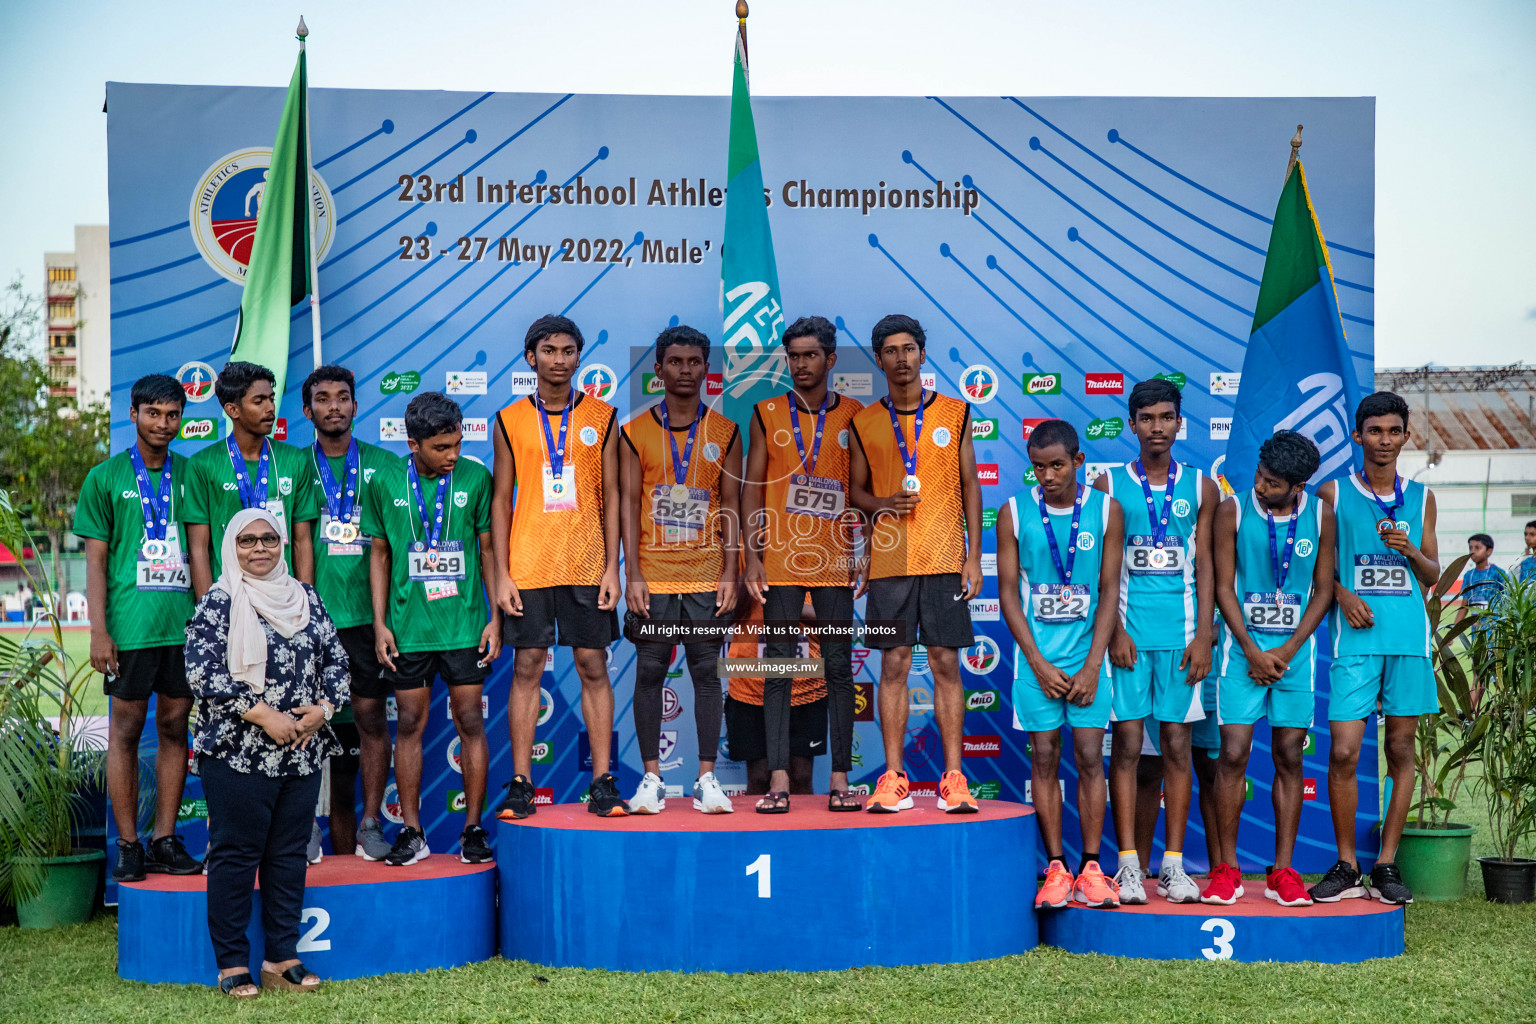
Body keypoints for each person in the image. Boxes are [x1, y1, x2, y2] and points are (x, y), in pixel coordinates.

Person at [185, 509, 348, 999]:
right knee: (235, 856)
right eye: (247, 540)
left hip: (300, 752)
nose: (259, 549)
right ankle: (232, 963)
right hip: (238, 753)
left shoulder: (306, 598)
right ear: (231, 547)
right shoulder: (218, 602)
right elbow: (201, 672)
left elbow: (336, 659)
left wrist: (324, 707)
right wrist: (262, 714)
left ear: (282, 544)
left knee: (287, 856)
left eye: (269, 539)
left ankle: (282, 956)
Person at [491, 315, 627, 820]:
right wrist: (503, 574)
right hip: (528, 564)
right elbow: (502, 498)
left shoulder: (604, 415)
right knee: (527, 667)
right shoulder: (510, 419)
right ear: (531, 357)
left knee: (593, 665)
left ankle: (602, 781)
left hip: (588, 563)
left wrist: (612, 569)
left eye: (569, 350)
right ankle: (522, 783)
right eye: (549, 350)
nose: (560, 359)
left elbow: (611, 495)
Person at [848, 314, 984, 814]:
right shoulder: (864, 421)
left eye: (910, 349)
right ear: (879, 358)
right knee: (894, 665)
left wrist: (974, 556)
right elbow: (856, 492)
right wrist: (881, 501)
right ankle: (892, 777)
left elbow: (972, 485)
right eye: (890, 350)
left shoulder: (955, 412)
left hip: (946, 557)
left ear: (923, 355)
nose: (901, 358)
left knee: (947, 663)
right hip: (889, 563)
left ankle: (953, 779)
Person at [1094, 378, 1218, 904]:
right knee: (1124, 748)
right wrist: (1115, 631)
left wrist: (1207, 634)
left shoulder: (1203, 487)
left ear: (1179, 423)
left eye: (1166, 417)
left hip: (1182, 639)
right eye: (1147, 419)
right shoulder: (1107, 485)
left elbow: (1208, 566)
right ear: (1132, 424)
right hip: (1127, 640)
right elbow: (1103, 568)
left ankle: (1172, 866)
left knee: (1176, 749)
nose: (1157, 427)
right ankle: (1126, 866)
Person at [1312, 392, 1440, 905]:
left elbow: (1431, 576)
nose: (1384, 441)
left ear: (1406, 436)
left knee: (1400, 750)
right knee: (1343, 750)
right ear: (1357, 436)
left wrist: (1412, 551)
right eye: (1374, 431)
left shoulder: (1423, 496)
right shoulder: (1332, 494)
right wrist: (1341, 594)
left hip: (1407, 640)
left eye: (1393, 431)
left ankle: (1385, 863)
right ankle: (1346, 865)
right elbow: (1317, 571)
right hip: (1356, 641)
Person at [363, 392, 501, 866]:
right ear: (413, 442)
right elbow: (378, 554)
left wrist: (494, 617)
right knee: (409, 726)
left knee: (470, 721)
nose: (453, 455)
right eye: (441, 447)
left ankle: (473, 830)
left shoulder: (476, 477)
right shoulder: (383, 480)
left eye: (458, 444)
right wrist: (380, 623)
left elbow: (487, 553)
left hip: (463, 627)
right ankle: (412, 832)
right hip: (408, 628)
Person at [76, 373, 202, 881]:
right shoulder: (104, 478)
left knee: (175, 728)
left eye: (173, 414)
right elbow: (96, 564)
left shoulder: (192, 475)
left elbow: (201, 551)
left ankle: (164, 840)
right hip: (129, 631)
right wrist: (98, 630)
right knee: (125, 732)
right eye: (153, 413)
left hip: (183, 629)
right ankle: (128, 845)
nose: (163, 423)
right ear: (133, 414)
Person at [1205, 431, 1336, 907]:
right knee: (1234, 753)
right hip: (1242, 654)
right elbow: (1222, 588)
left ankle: (1283, 871)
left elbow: (1323, 590)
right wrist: (1252, 649)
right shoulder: (1232, 511)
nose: (1262, 487)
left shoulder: (1322, 516)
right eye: (1260, 476)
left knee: (1289, 755)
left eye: (1274, 483)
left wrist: (1289, 649)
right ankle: (1227, 869)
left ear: (1300, 485)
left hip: (1295, 658)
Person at [741, 314, 866, 812]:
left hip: (834, 562)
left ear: (830, 359)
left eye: (810, 355)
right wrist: (752, 557)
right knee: (779, 668)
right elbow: (751, 489)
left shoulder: (855, 413)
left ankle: (839, 779)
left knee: (838, 668)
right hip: (781, 564)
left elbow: (862, 492)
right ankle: (778, 781)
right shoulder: (766, 412)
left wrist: (867, 550)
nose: (800, 364)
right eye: (792, 356)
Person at [999, 419, 1125, 908]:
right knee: (1045, 757)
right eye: (1037, 468)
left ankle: (1092, 868)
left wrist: (1094, 665)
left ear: (1078, 462)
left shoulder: (1107, 511)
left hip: (1089, 660)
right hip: (1037, 663)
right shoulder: (1013, 512)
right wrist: (1036, 662)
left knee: (1092, 759)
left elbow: (1111, 590)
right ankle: (1055, 868)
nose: (1047, 476)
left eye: (1056, 465)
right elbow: (1008, 594)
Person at [621, 324, 742, 814]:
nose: (685, 370)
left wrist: (731, 573)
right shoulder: (634, 431)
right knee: (650, 671)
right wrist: (632, 573)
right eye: (675, 362)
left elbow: (731, 505)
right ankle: (651, 780)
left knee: (706, 675)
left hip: (707, 574)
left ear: (706, 370)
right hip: (653, 572)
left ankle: (706, 780)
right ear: (658, 369)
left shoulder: (726, 431)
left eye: (694, 362)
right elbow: (629, 504)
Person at [301, 365, 398, 861]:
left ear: (357, 406)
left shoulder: (387, 465)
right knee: (307, 725)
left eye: (343, 397)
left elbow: (398, 545)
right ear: (308, 410)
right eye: (323, 398)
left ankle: (371, 822)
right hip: (309, 622)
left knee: (369, 720)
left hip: (366, 619)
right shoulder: (295, 467)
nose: (334, 406)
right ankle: (304, 827)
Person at [185, 361, 319, 595]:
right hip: (229, 597)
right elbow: (199, 549)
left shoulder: (294, 460)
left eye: (271, 398)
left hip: (282, 599)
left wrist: (306, 600)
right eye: (259, 401)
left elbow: (302, 541)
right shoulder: (203, 464)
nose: (270, 408)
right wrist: (210, 610)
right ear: (232, 410)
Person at [724, 600, 827, 797]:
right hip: (750, 686)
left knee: (801, 775)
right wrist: (751, 573)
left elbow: (834, 616)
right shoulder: (742, 567)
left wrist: (782, 600)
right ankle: (759, 829)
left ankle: (804, 829)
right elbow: (725, 615)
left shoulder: (818, 568)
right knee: (759, 777)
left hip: (805, 687)